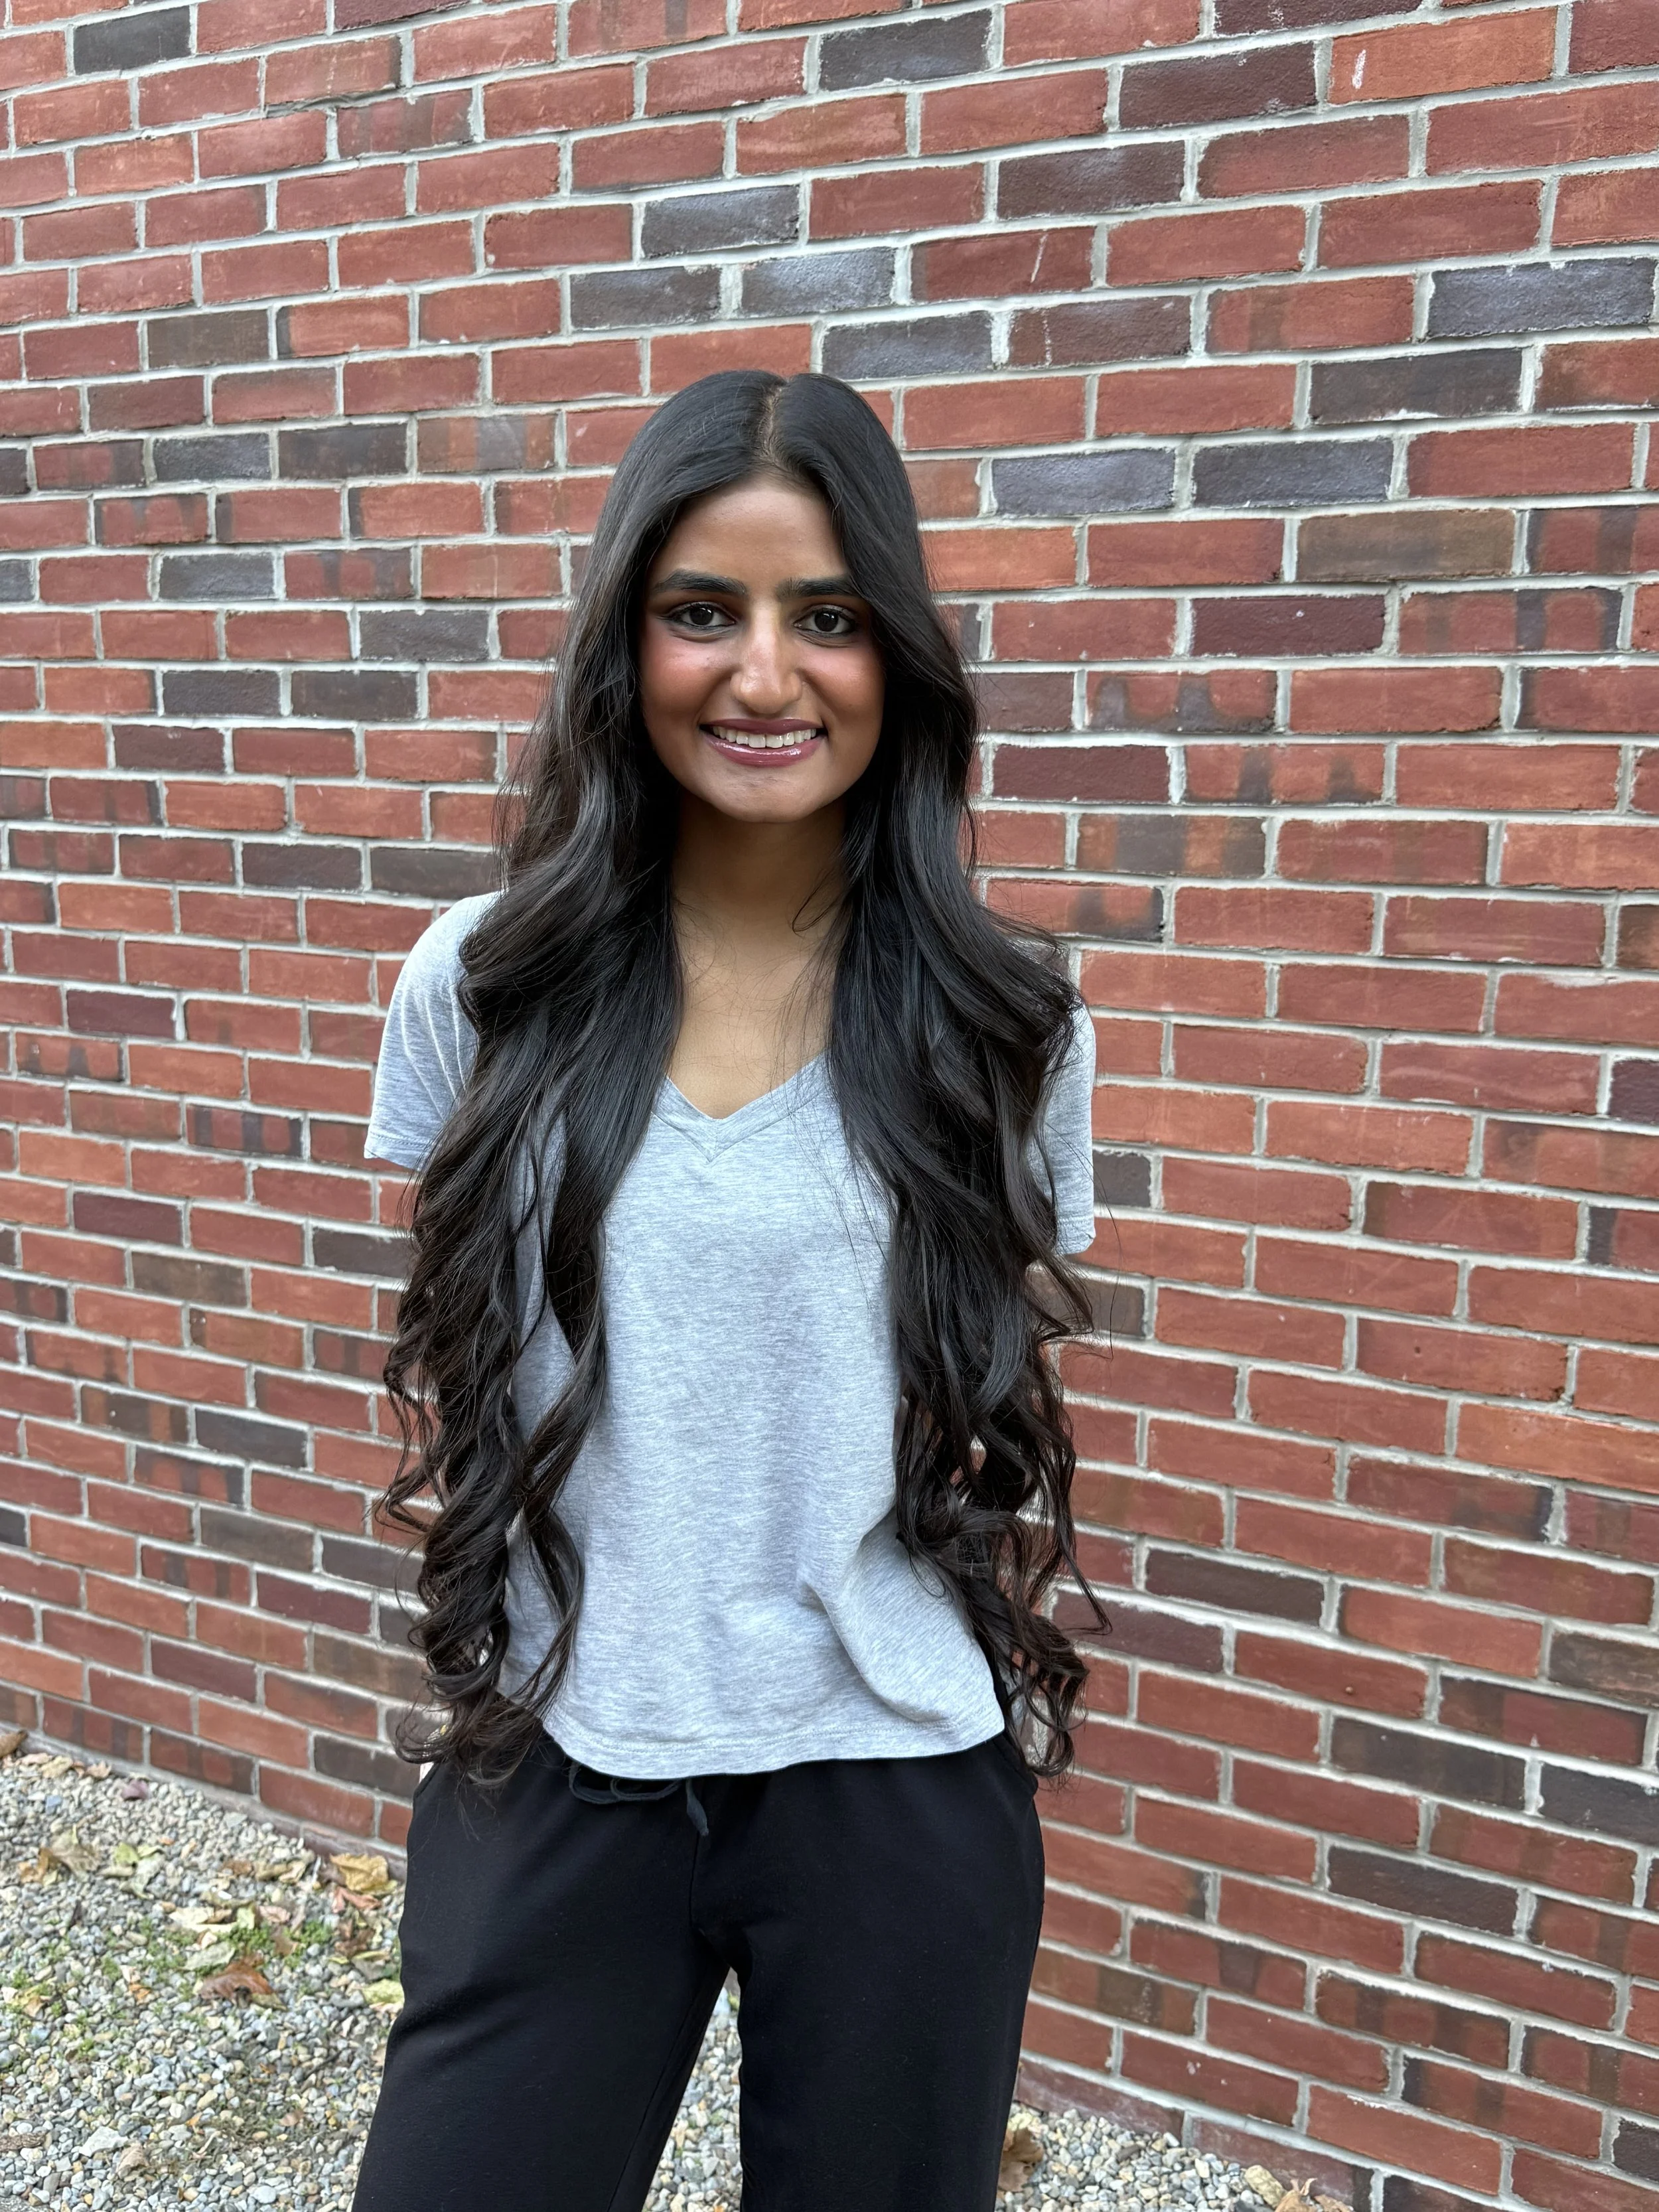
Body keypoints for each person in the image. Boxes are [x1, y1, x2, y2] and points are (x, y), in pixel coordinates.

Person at [351, 368, 1104, 2212]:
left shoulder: (1003, 1019)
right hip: (565, 1742)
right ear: (629, 641)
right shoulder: (482, 980)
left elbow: (959, 1376)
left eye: (826, 615)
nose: (763, 674)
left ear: (893, 655)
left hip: (890, 1774)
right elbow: (475, 1350)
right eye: (704, 609)